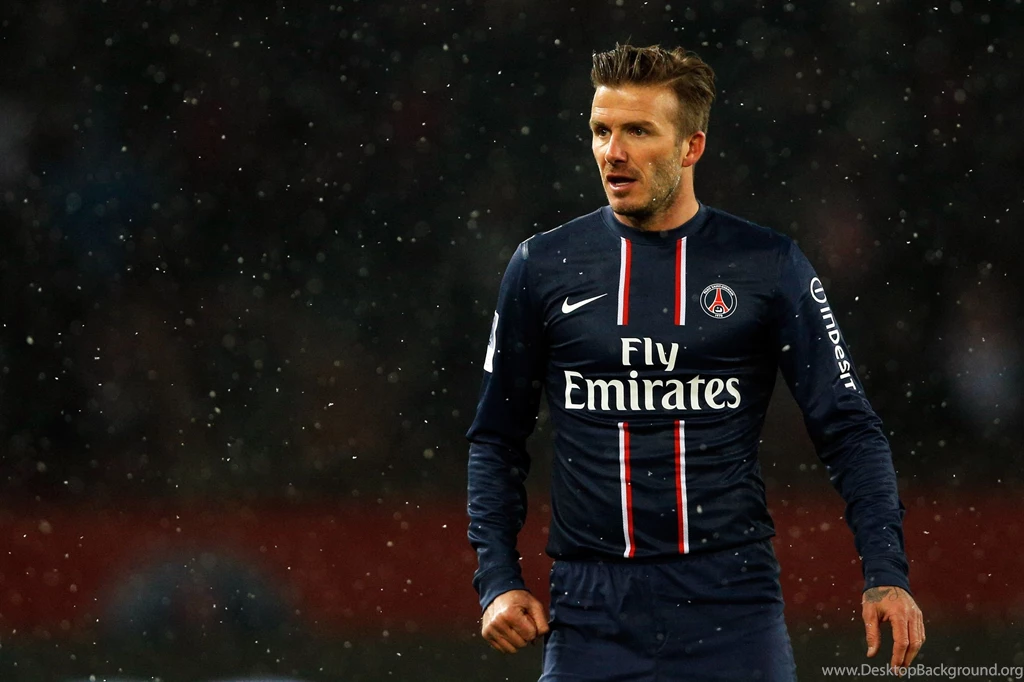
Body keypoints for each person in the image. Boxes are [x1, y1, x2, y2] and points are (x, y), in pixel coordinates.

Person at [466, 43, 924, 681]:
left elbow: (847, 426)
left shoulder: (767, 265)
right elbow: (496, 437)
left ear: (691, 147)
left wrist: (886, 571)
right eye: (600, 130)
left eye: (637, 131)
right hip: (590, 610)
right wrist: (497, 580)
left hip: (732, 604)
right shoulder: (542, 266)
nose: (612, 152)